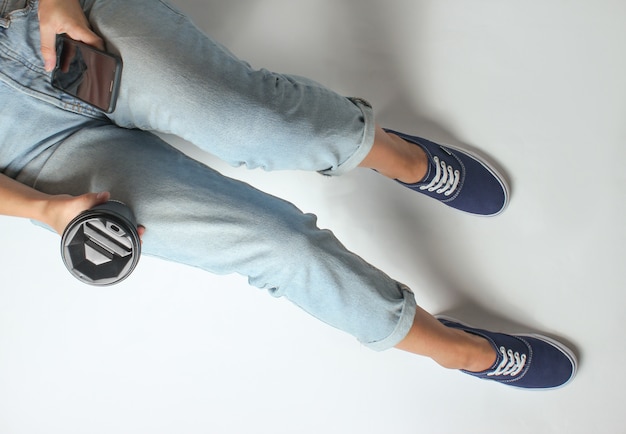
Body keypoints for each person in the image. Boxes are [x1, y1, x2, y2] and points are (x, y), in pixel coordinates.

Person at [0, 0, 577, 389]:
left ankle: (402, 157)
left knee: (252, 121)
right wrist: (45, 210)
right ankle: (455, 348)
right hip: (30, 158)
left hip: (37, 28)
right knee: (276, 247)